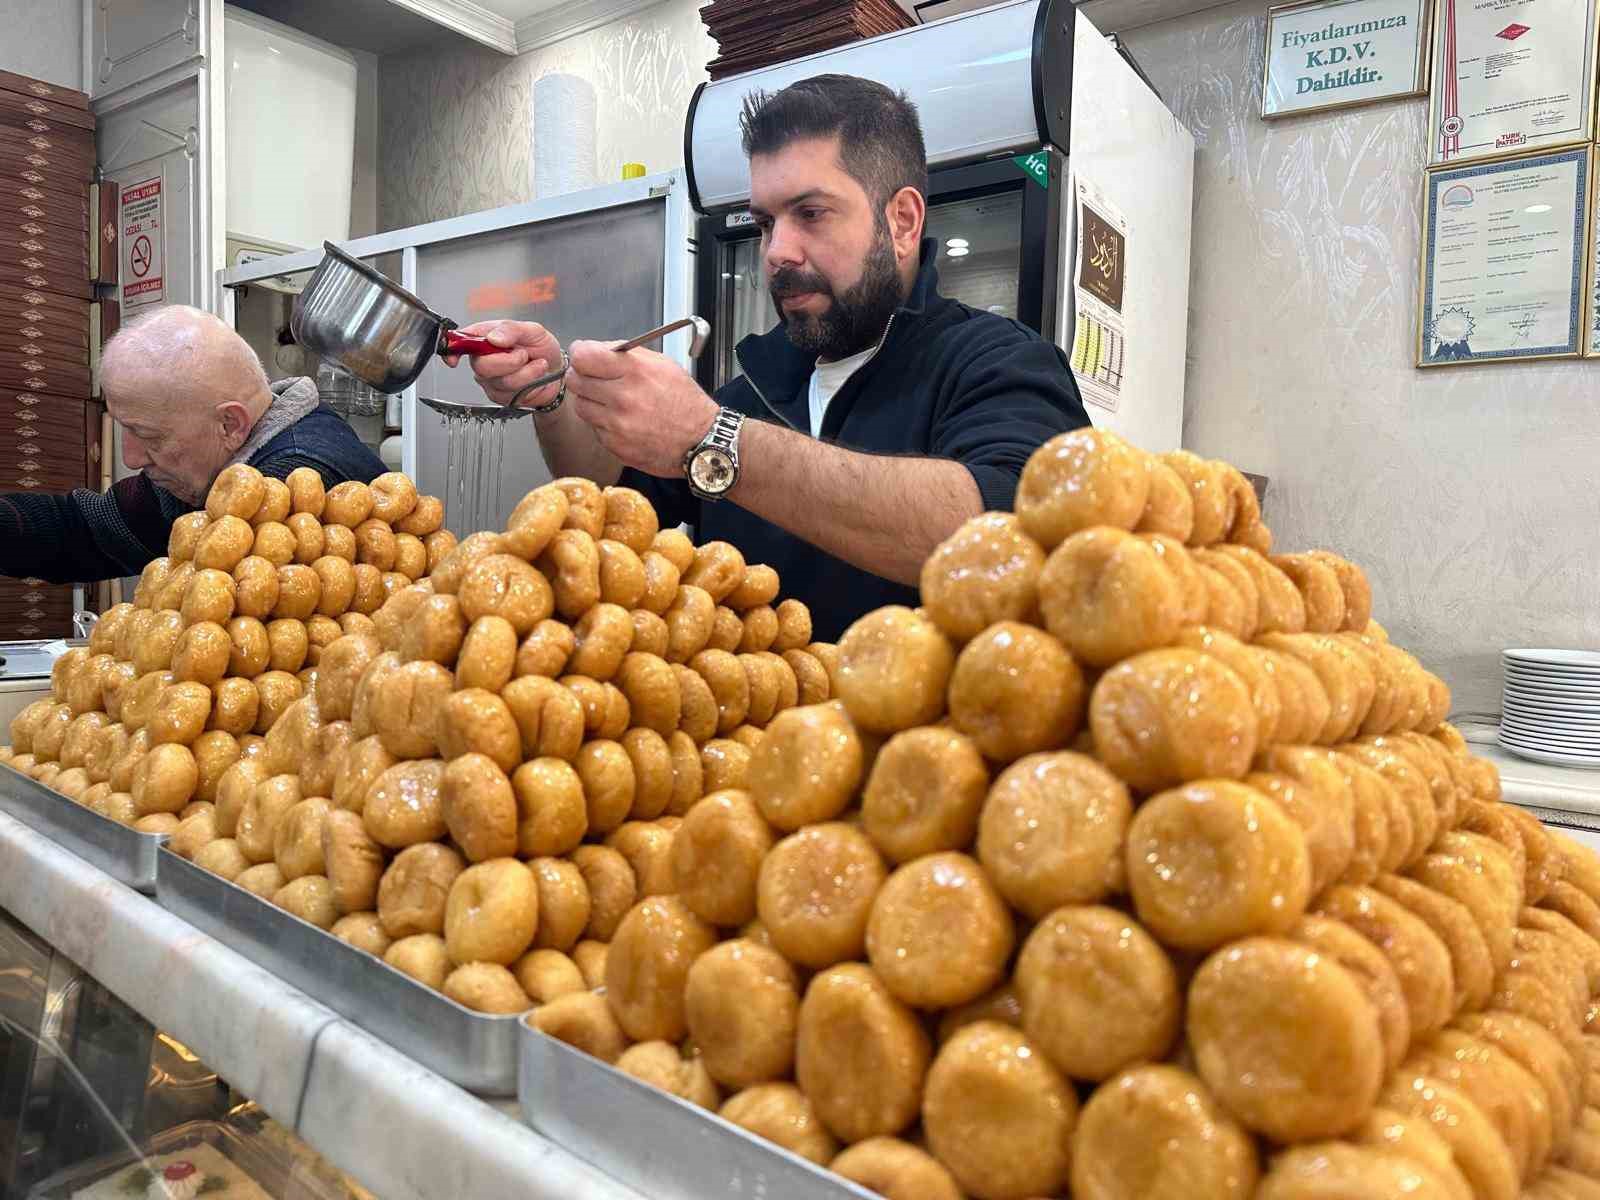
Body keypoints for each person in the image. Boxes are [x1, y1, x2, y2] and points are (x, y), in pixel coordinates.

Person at [458, 73, 1090, 640]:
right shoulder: (754, 387)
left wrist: (714, 439)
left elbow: (1007, 531)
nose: (777, 252)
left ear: (900, 222)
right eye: (764, 223)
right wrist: (552, 394)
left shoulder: (1001, 363)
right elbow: (613, 490)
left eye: (810, 213)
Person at [0, 305, 387, 584]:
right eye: (125, 429)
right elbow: (87, 530)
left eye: (149, 436)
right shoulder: (214, 468)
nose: (130, 457)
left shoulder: (293, 481)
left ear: (229, 424)